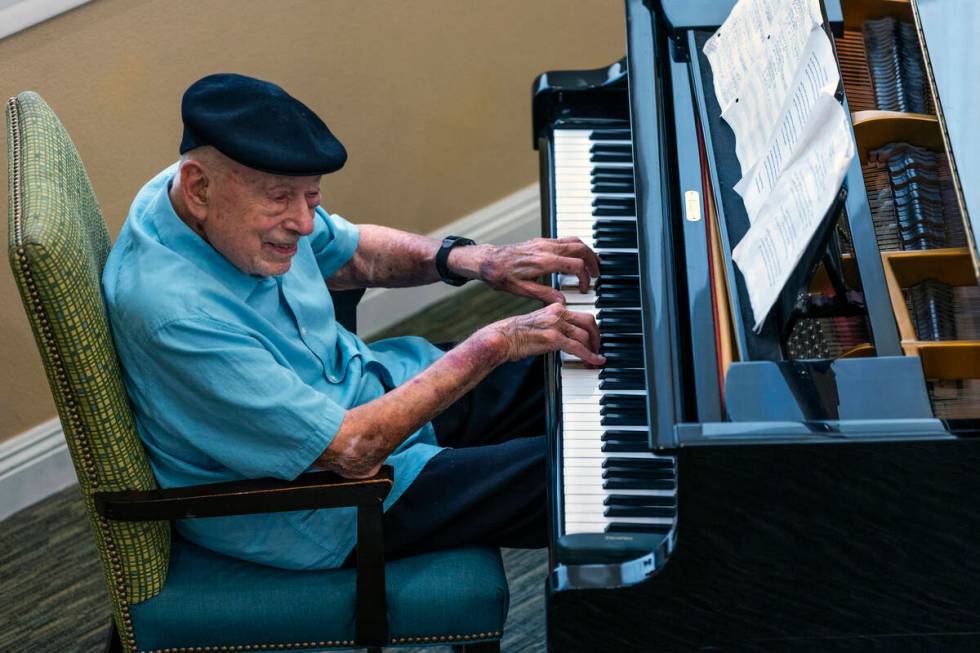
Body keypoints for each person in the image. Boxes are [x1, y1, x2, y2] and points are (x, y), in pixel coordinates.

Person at [102, 73, 604, 570]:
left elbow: (352, 255)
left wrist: (475, 260)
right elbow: (352, 450)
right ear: (198, 188)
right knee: (600, 474)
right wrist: (495, 343)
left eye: (312, 197)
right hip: (325, 500)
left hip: (374, 391)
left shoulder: (204, 190)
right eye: (280, 198)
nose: (303, 222)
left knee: (603, 366)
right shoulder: (174, 315)